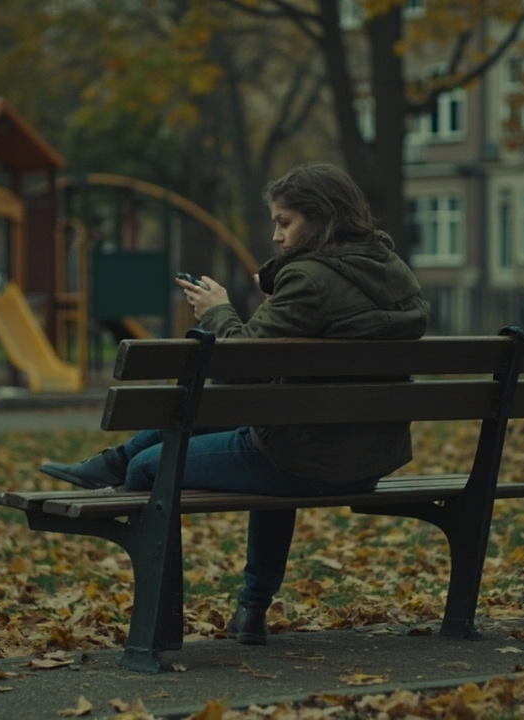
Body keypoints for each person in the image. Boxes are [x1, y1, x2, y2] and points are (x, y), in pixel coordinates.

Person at [40, 163, 430, 644]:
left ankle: (154, 628)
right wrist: (274, 289)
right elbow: (287, 350)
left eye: (285, 222)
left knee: (150, 468)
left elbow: (237, 366)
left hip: (305, 456)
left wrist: (217, 312)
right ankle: (249, 609)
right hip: (369, 457)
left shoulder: (308, 281)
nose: (276, 236)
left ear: (323, 218)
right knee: (248, 426)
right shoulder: (394, 272)